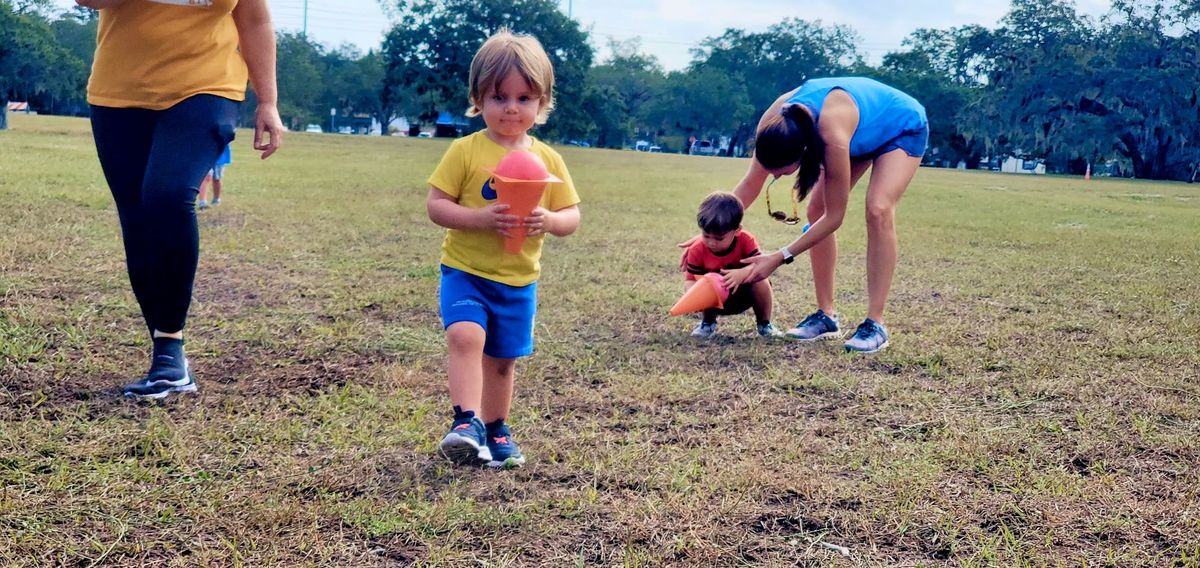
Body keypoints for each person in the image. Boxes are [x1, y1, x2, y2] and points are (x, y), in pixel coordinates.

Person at [78, 0, 283, 398]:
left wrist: (267, 101)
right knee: (137, 219)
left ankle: (171, 344)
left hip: (207, 86)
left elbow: (254, 19)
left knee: (167, 196)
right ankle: (165, 353)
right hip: (118, 93)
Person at [426, 30, 581, 468]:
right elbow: (437, 206)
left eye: (524, 97)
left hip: (517, 280)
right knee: (465, 335)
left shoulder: (549, 160)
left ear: (542, 102)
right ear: (478, 98)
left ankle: (496, 429)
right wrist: (478, 218)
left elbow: (572, 217)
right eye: (498, 96)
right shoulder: (465, 151)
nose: (511, 107)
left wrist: (549, 221)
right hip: (466, 270)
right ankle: (465, 422)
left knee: (502, 361)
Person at [721, 77, 927, 354]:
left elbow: (835, 217)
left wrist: (779, 257)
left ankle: (875, 324)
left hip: (900, 126)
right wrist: (710, 235)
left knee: (878, 209)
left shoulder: (832, 136)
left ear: (804, 152)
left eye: (782, 171)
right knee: (814, 208)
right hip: (858, 130)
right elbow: (750, 184)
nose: (775, 176)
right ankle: (826, 316)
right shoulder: (774, 124)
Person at [682, 192, 784, 339]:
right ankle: (707, 323)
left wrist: (742, 273)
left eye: (719, 238)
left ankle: (764, 324)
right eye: (706, 235)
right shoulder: (697, 249)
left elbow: (759, 265)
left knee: (761, 280)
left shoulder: (746, 240)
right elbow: (690, 279)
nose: (711, 242)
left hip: (744, 297)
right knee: (706, 284)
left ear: (737, 230)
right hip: (714, 302)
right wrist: (691, 296)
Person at [197, 142, 232, 209]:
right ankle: (202, 202)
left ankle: (216, 199)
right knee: (206, 177)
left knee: (217, 178)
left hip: (219, 153)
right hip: (205, 152)